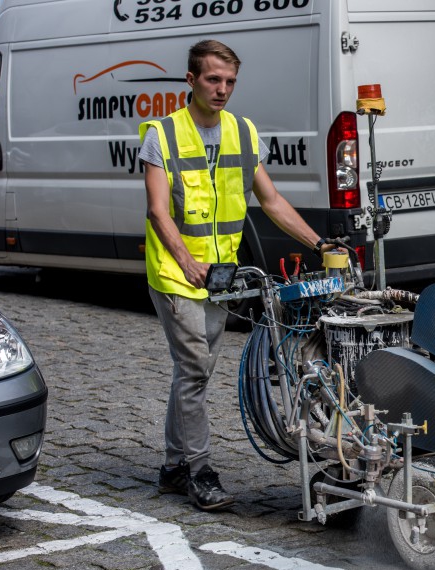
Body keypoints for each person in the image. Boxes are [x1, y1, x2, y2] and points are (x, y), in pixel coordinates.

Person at [140, 39, 330, 511]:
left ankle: (171, 465)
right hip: (175, 274)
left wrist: (319, 244)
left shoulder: (242, 133)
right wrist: (187, 262)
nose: (222, 89)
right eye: (213, 80)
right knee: (195, 370)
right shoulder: (161, 136)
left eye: (229, 82)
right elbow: (158, 212)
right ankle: (199, 471)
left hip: (220, 278)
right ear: (191, 80)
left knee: (193, 375)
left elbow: (271, 201)